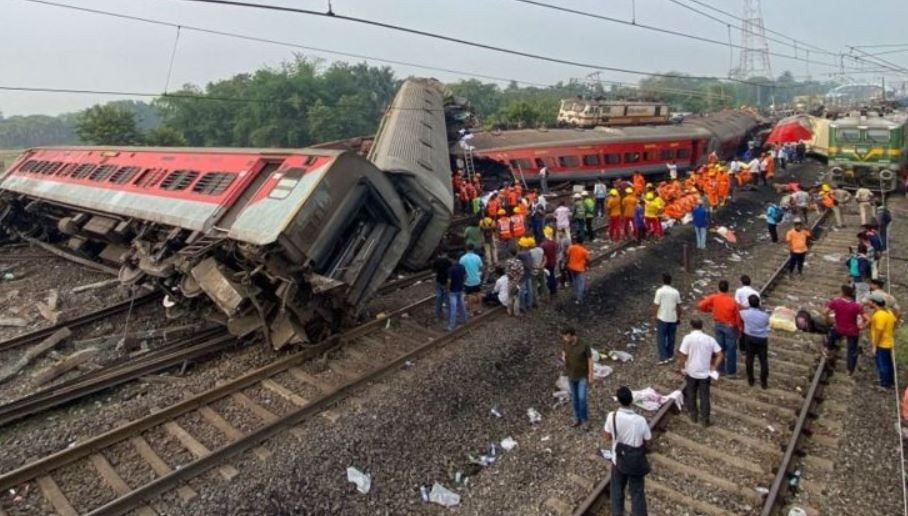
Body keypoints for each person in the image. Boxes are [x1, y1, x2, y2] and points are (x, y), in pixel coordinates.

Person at [604, 386, 651, 516]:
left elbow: (607, 436)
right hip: (636, 461)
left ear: (618, 401)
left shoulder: (612, 417)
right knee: (637, 492)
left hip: (618, 459)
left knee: (617, 490)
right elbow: (647, 440)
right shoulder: (640, 421)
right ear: (631, 401)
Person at [678, 319, 723, 426]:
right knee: (705, 396)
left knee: (691, 393)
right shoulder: (709, 339)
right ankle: (705, 419)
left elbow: (682, 355)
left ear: (691, 325)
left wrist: (682, 367)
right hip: (705, 373)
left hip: (691, 372)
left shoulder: (687, 338)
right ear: (702, 326)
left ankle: (693, 415)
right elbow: (720, 355)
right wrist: (714, 367)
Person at [697, 280, 741, 377]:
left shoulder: (714, 297)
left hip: (718, 325)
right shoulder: (732, 301)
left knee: (719, 348)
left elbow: (700, 305)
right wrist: (739, 329)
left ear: (719, 288)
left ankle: (721, 369)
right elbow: (737, 318)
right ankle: (731, 372)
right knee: (731, 349)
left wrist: (710, 310)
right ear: (728, 288)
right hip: (730, 326)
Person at [824, 285, 865, 375]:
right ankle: (849, 370)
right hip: (853, 331)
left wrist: (828, 319)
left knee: (831, 335)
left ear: (843, 293)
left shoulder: (836, 302)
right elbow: (867, 318)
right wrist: (863, 326)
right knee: (852, 350)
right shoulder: (857, 306)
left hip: (839, 328)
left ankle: (829, 350)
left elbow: (825, 312)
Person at [561, 328, 592, 427]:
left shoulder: (584, 345)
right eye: (564, 337)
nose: (565, 339)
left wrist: (591, 375)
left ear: (572, 335)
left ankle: (584, 420)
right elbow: (564, 354)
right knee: (574, 398)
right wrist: (564, 359)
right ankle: (576, 418)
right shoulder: (566, 344)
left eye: (567, 336)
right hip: (571, 375)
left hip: (582, 376)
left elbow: (590, 360)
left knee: (582, 398)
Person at [865, 294, 897, 390]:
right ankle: (889, 381)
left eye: (870, 301)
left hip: (881, 344)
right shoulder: (888, 312)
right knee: (888, 363)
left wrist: (875, 345)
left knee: (882, 364)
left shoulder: (880, 315)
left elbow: (879, 331)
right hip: (888, 341)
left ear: (875, 303)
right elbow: (895, 322)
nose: (868, 303)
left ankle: (885, 384)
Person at [740, 295, 770, 388]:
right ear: (759, 303)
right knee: (763, 361)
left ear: (749, 303)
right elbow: (767, 324)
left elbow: (740, 312)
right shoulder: (765, 315)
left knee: (749, 359)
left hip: (749, 338)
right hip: (761, 339)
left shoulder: (744, 313)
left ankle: (751, 380)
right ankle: (764, 382)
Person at [654, 273, 682, 364]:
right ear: (671, 281)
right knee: (671, 337)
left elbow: (656, 305)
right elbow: (678, 306)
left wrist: (654, 316)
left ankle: (663, 357)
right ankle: (670, 355)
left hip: (662, 317)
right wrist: (678, 317)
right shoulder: (675, 292)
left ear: (662, 281)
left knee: (661, 338)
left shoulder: (660, 291)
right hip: (673, 317)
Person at [446, 254, 469, 331]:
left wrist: (448, 289)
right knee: (462, 306)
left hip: (453, 291)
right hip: (460, 289)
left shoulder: (450, 269)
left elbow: (449, 281)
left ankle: (451, 326)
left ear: (453, 260)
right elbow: (466, 276)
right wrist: (462, 283)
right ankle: (465, 320)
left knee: (453, 308)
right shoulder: (462, 267)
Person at [459, 245, 484, 315]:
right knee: (478, 294)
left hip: (468, 281)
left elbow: (461, 270)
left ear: (466, 249)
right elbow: (481, 268)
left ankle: (471, 311)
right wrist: (479, 274)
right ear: (473, 249)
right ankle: (479, 309)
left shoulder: (462, 258)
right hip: (476, 279)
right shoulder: (477, 257)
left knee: (469, 295)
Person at [565, 236, 590, 304]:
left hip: (571, 267)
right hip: (580, 269)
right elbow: (587, 259)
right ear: (582, 242)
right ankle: (579, 298)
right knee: (580, 283)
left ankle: (577, 294)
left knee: (575, 281)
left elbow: (567, 256)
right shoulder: (584, 250)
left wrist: (566, 264)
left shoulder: (571, 247)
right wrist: (587, 266)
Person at [432, 251, 451, 320]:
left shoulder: (437, 261)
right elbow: (450, 273)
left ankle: (437, 315)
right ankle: (449, 316)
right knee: (447, 299)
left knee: (438, 298)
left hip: (438, 282)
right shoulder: (448, 262)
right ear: (445, 254)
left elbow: (434, 271)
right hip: (445, 283)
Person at [541, 227, 558, 296]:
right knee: (552, 275)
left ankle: (552, 290)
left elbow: (543, 255)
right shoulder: (554, 243)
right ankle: (554, 289)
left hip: (547, 263)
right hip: (553, 261)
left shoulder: (543, 245)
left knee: (549, 277)